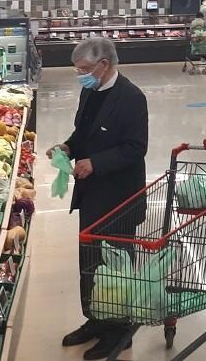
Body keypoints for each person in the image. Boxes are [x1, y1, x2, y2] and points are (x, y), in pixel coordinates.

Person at [52, 38, 148, 361]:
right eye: (77, 70)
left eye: (84, 69)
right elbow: (83, 133)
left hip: (119, 197)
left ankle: (119, 331)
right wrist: (67, 147)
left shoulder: (131, 98)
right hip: (92, 194)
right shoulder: (89, 92)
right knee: (90, 260)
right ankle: (95, 318)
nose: (80, 75)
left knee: (116, 266)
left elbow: (136, 148)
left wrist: (96, 163)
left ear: (104, 65)